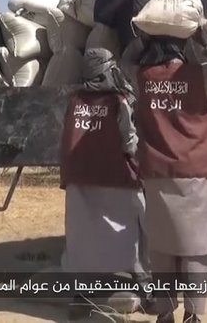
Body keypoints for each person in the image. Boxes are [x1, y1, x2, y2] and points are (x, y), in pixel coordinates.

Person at [130, 34, 207, 323]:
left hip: (157, 173)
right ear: (182, 48)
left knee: (162, 248)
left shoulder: (143, 77)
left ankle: (165, 313)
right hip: (195, 173)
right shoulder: (200, 75)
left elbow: (122, 63)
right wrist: (201, 42)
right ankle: (193, 315)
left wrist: (140, 43)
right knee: (195, 248)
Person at [58, 48, 152, 320]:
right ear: (107, 69)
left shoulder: (75, 99)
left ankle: (79, 296)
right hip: (115, 176)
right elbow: (129, 141)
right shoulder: (119, 100)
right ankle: (145, 286)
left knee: (82, 235)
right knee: (135, 228)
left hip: (79, 177)